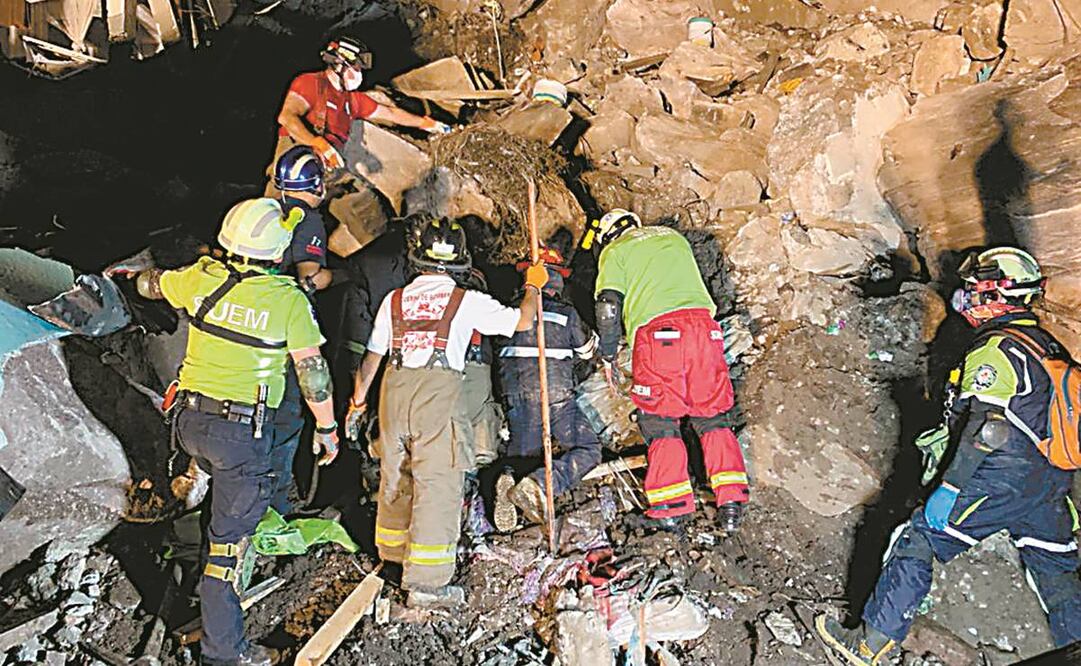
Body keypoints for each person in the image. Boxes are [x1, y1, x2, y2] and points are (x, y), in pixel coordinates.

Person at [816, 247, 1081, 665]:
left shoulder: (997, 349)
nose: (968, 294)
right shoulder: (1047, 345)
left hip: (998, 476)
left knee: (917, 538)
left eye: (976, 287)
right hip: (1050, 483)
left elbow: (988, 427)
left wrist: (951, 487)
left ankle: (869, 646)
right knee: (1055, 570)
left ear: (998, 292)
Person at [126, 198, 340, 666]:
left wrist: (129, 281)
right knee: (228, 549)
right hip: (239, 436)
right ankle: (225, 653)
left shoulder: (202, 277)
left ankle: (191, 578)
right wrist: (327, 428)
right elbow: (313, 374)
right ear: (276, 248)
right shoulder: (288, 301)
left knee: (212, 508)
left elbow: (151, 284)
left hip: (187, 424)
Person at [345, 218, 547, 608]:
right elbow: (523, 321)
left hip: (394, 391)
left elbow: (371, 359)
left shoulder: (395, 300)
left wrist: (357, 404)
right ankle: (426, 583)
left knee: (396, 474)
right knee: (438, 483)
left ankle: (391, 556)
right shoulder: (465, 301)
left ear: (417, 259)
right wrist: (533, 285)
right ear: (460, 262)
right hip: (435, 397)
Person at [589, 209, 748, 532]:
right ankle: (731, 502)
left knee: (660, 420)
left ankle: (671, 505)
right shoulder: (672, 237)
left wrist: (606, 354)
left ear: (608, 236)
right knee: (712, 415)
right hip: (705, 330)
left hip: (661, 337)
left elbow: (607, 305)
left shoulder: (615, 250)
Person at [268, 36, 450, 244]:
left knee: (369, 212)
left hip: (331, 170)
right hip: (294, 169)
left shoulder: (351, 100)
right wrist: (317, 143)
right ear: (339, 64)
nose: (359, 74)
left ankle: (389, 256)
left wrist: (427, 123)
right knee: (276, 220)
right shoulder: (311, 83)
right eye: (355, 68)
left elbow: (390, 113)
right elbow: (287, 117)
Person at [491, 246, 601, 531]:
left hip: (515, 395)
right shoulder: (566, 314)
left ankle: (510, 477)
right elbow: (588, 352)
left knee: (524, 455)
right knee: (589, 449)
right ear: (557, 280)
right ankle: (539, 484)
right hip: (556, 395)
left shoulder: (508, 312)